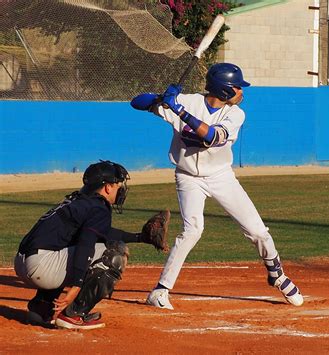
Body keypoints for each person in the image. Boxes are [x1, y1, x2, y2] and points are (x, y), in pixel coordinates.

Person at [131, 62, 303, 309]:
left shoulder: (235, 114)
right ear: (223, 90)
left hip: (221, 177)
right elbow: (136, 102)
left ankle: (277, 274)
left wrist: (178, 110)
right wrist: (160, 98)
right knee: (192, 231)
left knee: (257, 231)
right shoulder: (186, 101)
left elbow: (212, 137)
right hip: (188, 177)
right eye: (237, 87)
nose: (242, 92)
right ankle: (160, 291)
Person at [14, 160, 170, 329]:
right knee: (115, 253)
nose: (120, 190)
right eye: (117, 185)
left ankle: (42, 308)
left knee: (74, 247)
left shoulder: (79, 201)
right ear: (107, 187)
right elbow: (86, 243)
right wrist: (77, 284)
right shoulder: (98, 207)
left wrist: (140, 237)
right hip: (42, 267)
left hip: (24, 262)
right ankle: (74, 314)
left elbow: (102, 233)